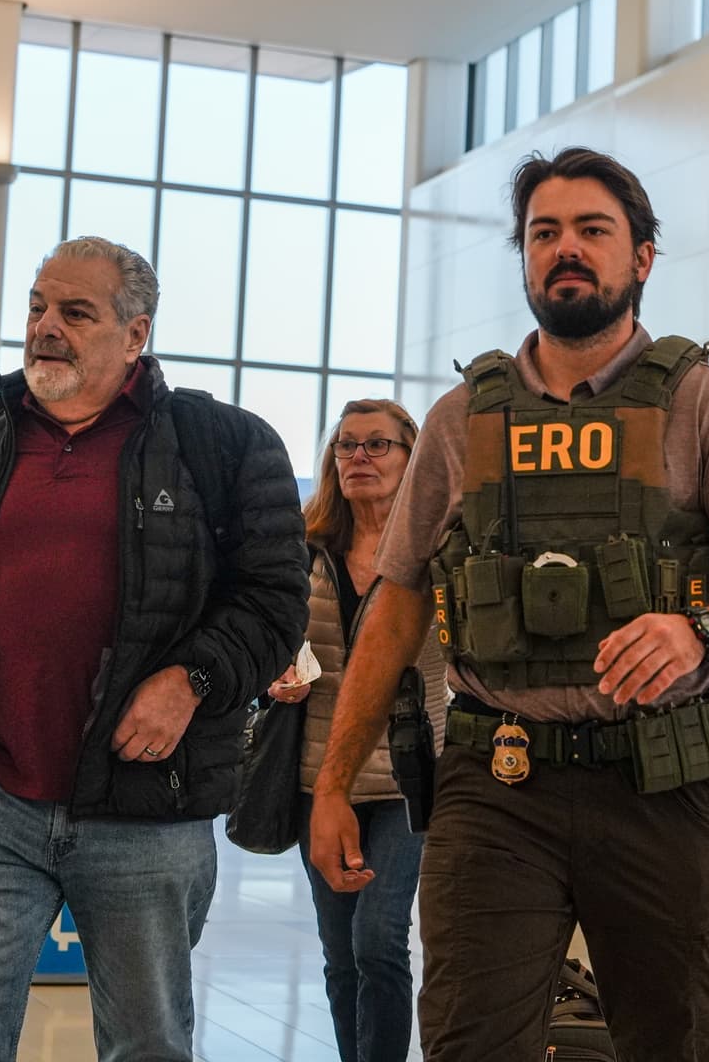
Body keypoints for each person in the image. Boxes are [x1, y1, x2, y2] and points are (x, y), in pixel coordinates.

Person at [308, 146, 709, 1061]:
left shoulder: (706, 406)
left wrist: (703, 630)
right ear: (526, 256)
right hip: (497, 784)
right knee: (470, 1040)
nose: (566, 249)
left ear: (643, 256)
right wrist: (336, 783)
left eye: (593, 230)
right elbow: (394, 609)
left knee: (678, 1040)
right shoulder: (463, 418)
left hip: (663, 783)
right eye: (545, 233)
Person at [0, 237, 308, 1062]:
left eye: (76, 312)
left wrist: (191, 679)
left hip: (146, 812)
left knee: (147, 1043)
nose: (46, 327)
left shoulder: (223, 445)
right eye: (37, 307)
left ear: (136, 334)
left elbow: (275, 603)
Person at [268, 398, 447, 1062]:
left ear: (412, 457)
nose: (358, 458)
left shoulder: (436, 551)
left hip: (409, 773)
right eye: (346, 446)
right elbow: (273, 637)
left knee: (380, 939)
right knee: (340, 952)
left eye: (377, 445)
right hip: (322, 773)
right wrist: (276, 672)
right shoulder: (305, 549)